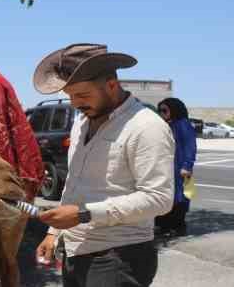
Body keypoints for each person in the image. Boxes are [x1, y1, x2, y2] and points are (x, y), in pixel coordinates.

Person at [33, 43, 174, 287]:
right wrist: (53, 233)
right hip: (76, 251)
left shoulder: (146, 127)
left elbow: (159, 198)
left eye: (83, 95)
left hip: (119, 256)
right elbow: (75, 182)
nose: (76, 103)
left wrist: (83, 214)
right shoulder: (81, 121)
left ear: (111, 85)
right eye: (70, 96)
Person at [154, 97, 197, 237]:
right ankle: (163, 226)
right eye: (159, 110)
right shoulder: (165, 125)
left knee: (181, 198)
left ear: (174, 110)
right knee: (165, 197)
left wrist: (187, 166)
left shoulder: (182, 124)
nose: (161, 113)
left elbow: (190, 147)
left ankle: (177, 227)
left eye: (165, 110)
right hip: (166, 168)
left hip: (181, 169)